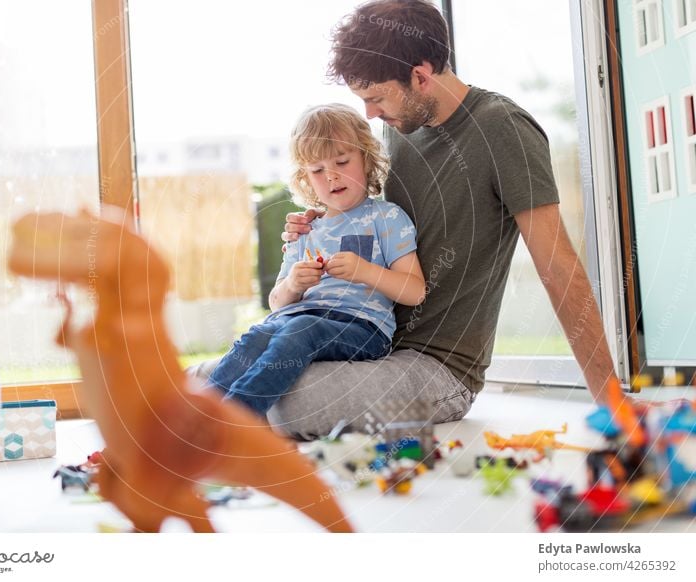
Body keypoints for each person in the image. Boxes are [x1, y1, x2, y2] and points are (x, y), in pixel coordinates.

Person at [194, 0, 620, 438]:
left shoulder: (502, 129)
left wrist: (614, 404)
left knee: (286, 403)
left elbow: (558, 266)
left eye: (375, 98)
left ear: (420, 75)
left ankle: (210, 425)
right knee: (206, 378)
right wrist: (314, 224)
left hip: (437, 367)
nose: (370, 114)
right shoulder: (399, 128)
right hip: (357, 340)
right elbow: (370, 219)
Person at [207, 103, 425, 417]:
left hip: (362, 329)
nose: (331, 176)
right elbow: (277, 304)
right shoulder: (305, 229)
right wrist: (293, 283)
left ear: (366, 158)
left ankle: (235, 421)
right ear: (305, 178)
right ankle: (194, 420)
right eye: (317, 170)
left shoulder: (386, 217)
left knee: (300, 329)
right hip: (293, 319)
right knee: (256, 337)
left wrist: (364, 271)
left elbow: (415, 291)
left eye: (342, 161)